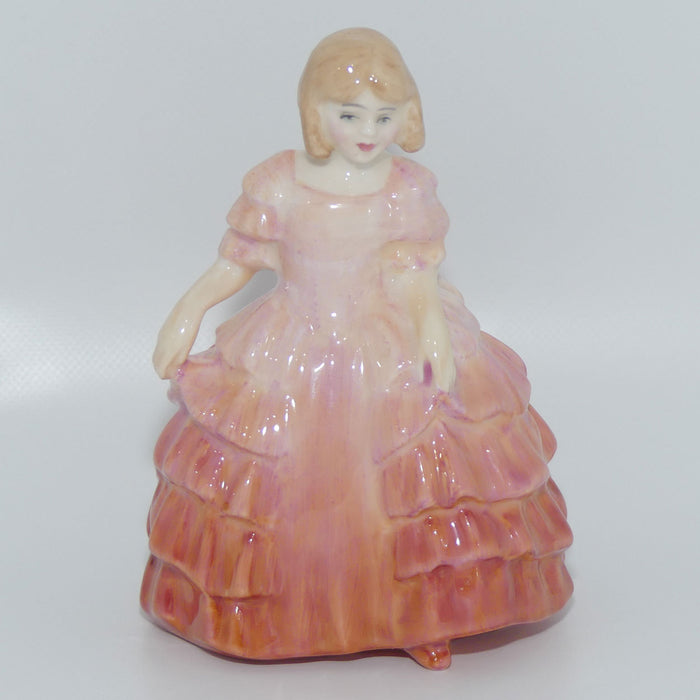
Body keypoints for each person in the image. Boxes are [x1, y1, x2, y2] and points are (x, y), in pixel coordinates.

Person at [141, 27, 573, 670]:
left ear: (407, 113)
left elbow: (413, 274)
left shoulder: (405, 188)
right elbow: (237, 263)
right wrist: (187, 310)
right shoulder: (279, 182)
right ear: (315, 111)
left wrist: (432, 328)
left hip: (383, 345)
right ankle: (280, 616)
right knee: (276, 479)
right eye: (350, 115)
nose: (368, 131)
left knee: (413, 479)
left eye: (384, 115)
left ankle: (418, 612)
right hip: (294, 343)